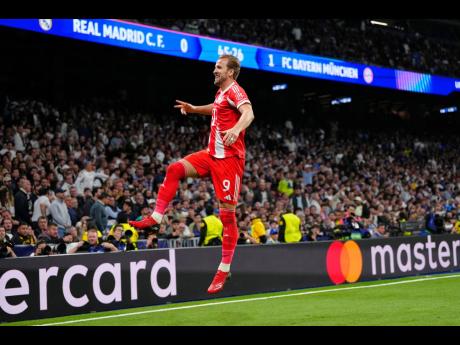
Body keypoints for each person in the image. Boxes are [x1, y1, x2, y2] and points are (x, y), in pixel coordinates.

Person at [129, 54, 255, 294]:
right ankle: (156, 218)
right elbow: (217, 110)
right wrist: (194, 108)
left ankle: (224, 268)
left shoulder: (236, 91)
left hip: (229, 160)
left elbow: (248, 114)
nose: (214, 71)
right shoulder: (221, 94)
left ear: (230, 72)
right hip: (211, 155)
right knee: (175, 168)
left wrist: (236, 130)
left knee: (227, 216)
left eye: (218, 67)